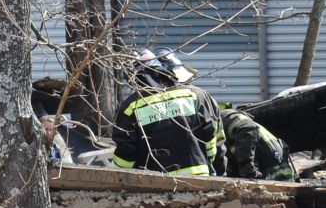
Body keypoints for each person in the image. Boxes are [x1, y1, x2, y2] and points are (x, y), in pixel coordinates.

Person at [111, 48, 225, 177]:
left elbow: (125, 156)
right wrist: (214, 169)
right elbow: (213, 138)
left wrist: (111, 177)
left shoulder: (130, 106)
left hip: (152, 184)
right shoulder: (198, 95)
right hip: (199, 179)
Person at [220, 105, 294, 180]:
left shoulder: (224, 117)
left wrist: (247, 170)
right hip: (266, 156)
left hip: (271, 159)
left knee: (282, 189)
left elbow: (248, 128)